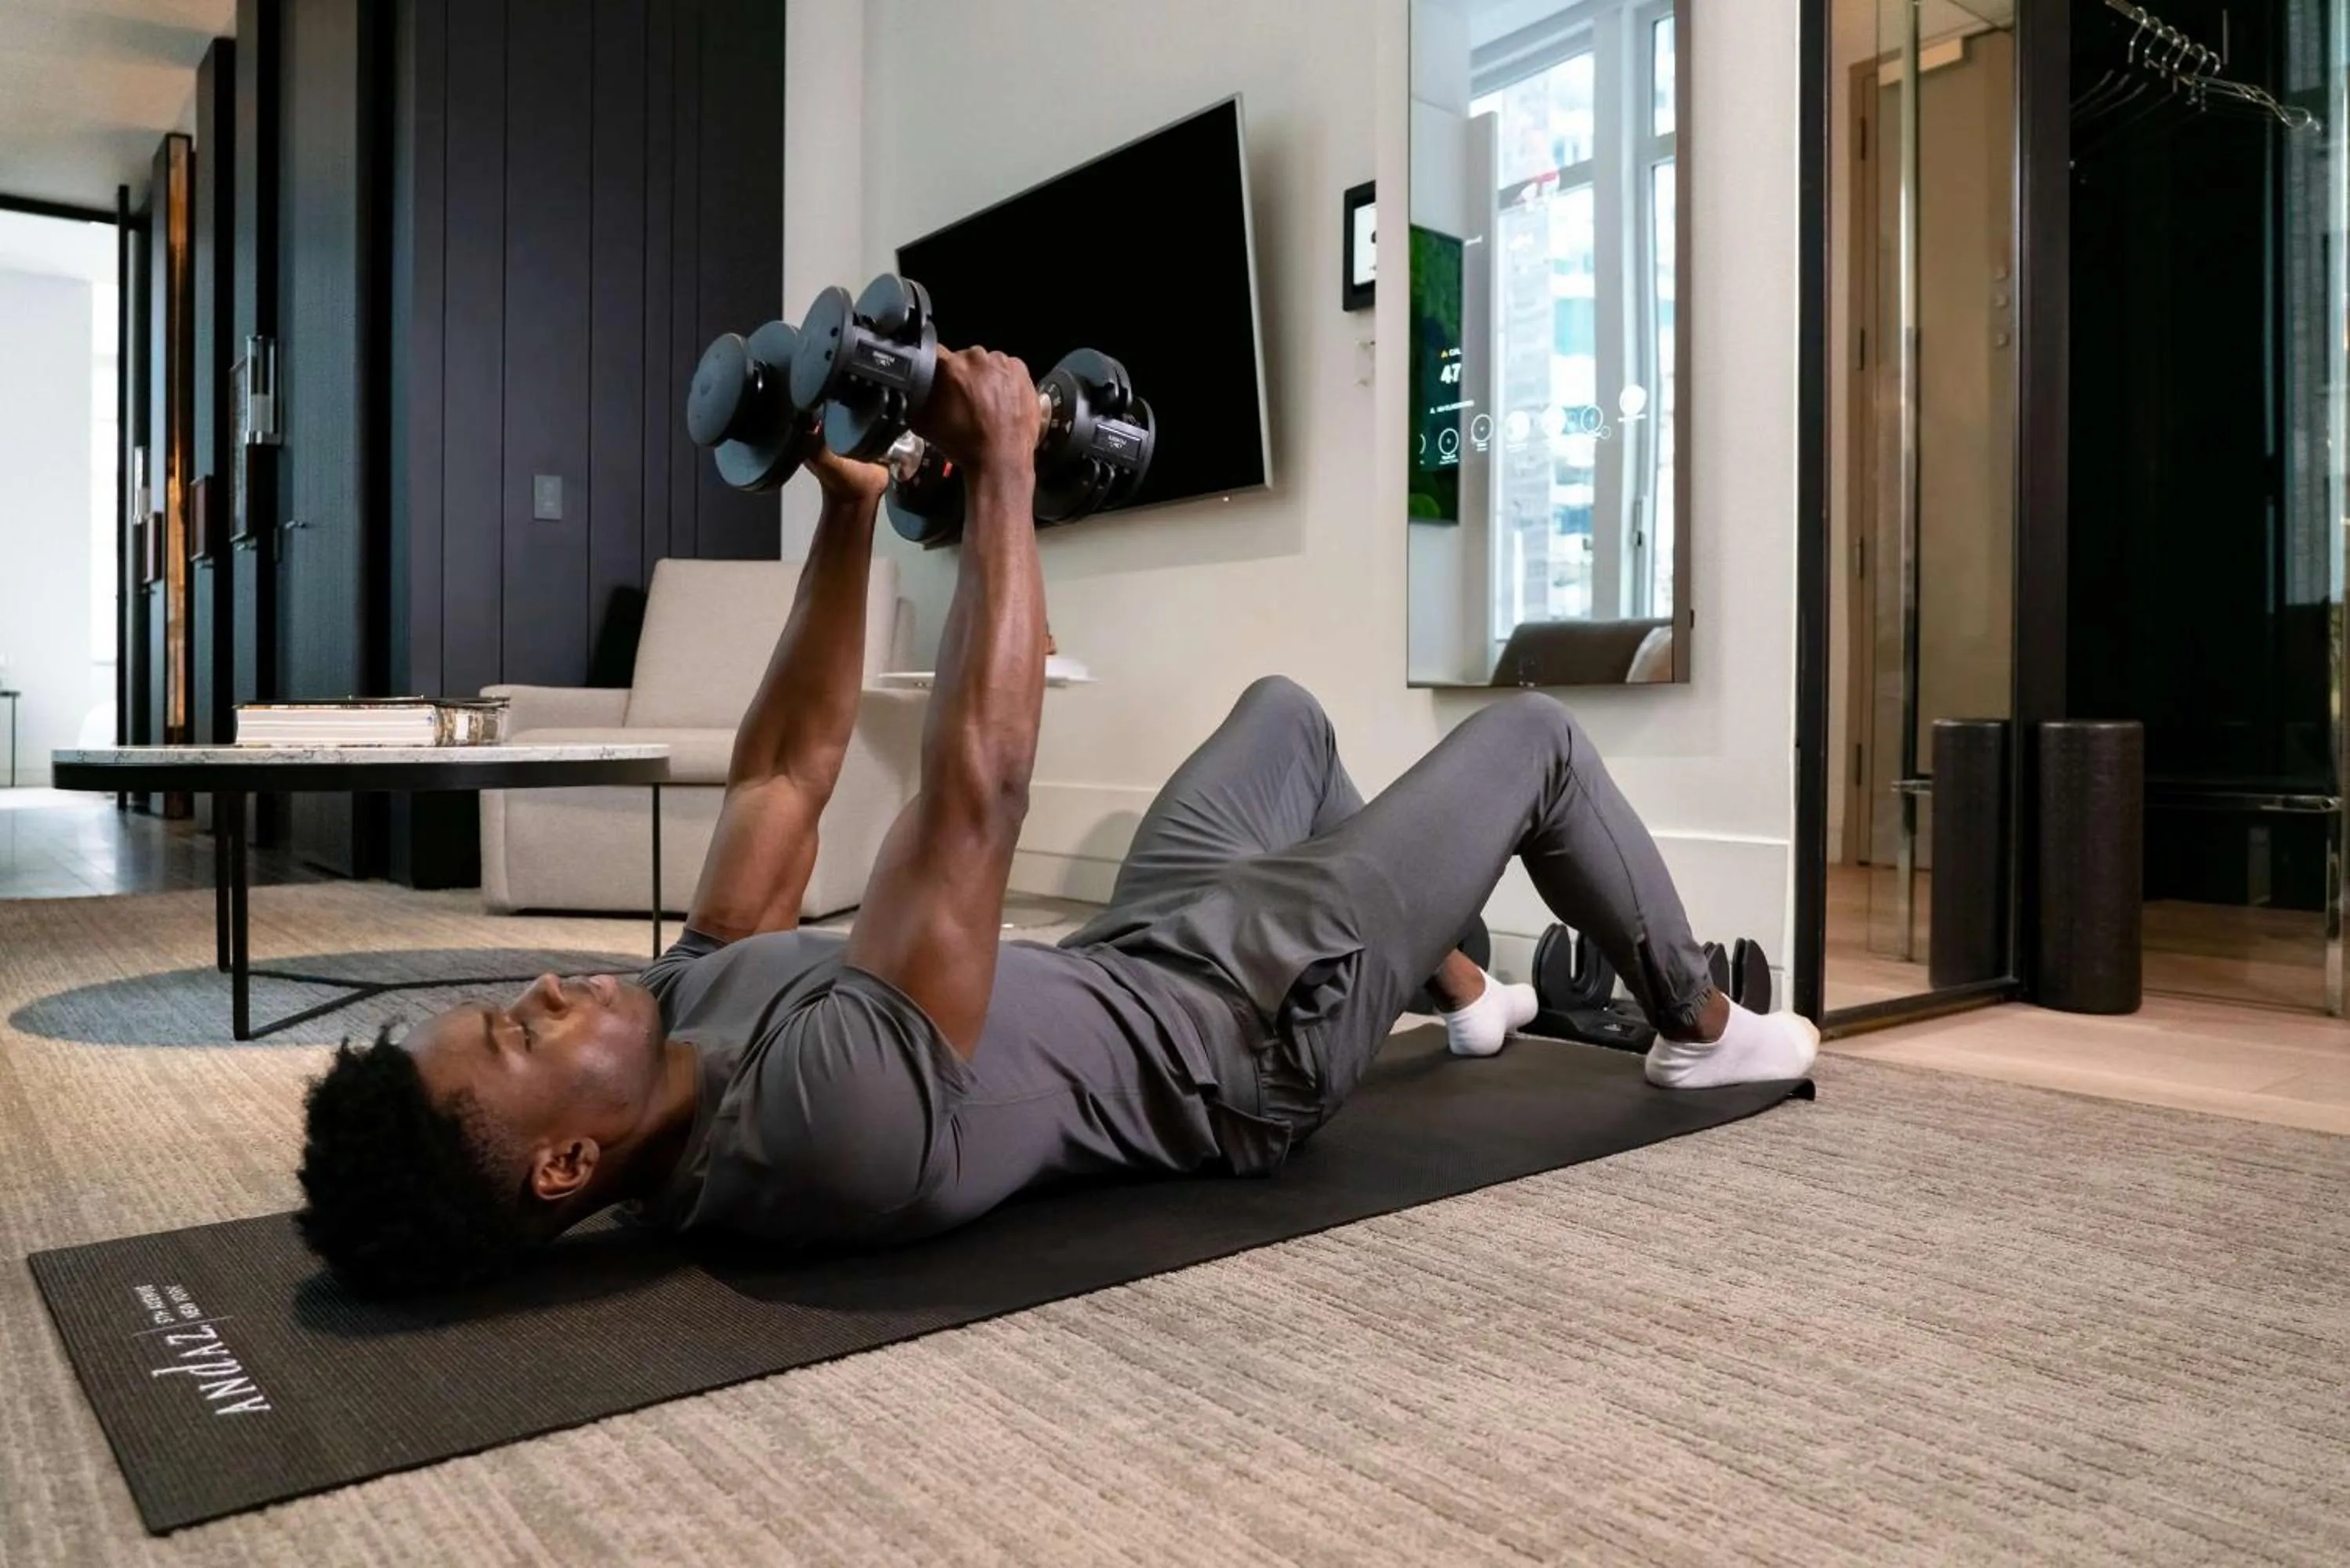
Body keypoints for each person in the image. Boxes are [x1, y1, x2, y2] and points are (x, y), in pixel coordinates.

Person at [295, 345, 1817, 1296]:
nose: (547, 987)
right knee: (1537, 739)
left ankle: (1464, 987)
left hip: (1139, 950)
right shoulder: (816, 1127)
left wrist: (847, 510)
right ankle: (1701, 1023)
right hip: (1241, 1039)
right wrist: (1005, 471)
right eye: (520, 1033)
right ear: (566, 1166)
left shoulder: (678, 1010)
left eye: (512, 1000)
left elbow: (784, 775)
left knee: (1287, 713)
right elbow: (975, 800)